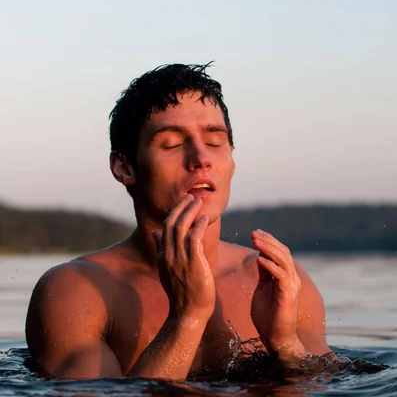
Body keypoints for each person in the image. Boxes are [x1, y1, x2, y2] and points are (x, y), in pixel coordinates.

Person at [26, 63, 332, 380]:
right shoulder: (78, 291)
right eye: (171, 144)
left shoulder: (280, 283)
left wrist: (285, 346)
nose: (201, 158)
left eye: (215, 142)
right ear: (124, 167)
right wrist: (186, 318)